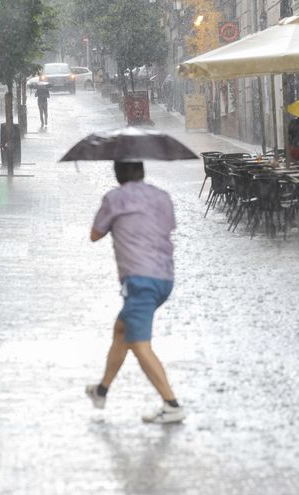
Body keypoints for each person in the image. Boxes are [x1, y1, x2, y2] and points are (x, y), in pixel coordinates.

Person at [85, 161, 185, 424]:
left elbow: (95, 234)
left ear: (117, 174)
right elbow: (168, 226)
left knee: (140, 345)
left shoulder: (115, 199)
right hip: (165, 278)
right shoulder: (162, 197)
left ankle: (171, 404)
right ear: (142, 171)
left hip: (140, 281)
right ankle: (101, 391)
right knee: (122, 330)